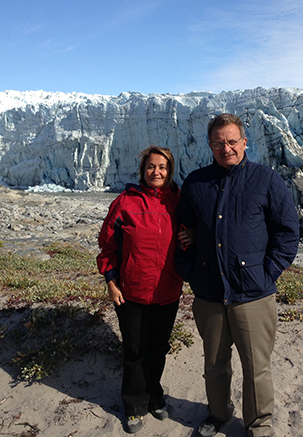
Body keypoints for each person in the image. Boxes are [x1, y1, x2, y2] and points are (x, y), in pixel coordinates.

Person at [175, 113, 300, 437]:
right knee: (215, 365)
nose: (226, 148)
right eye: (219, 143)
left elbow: (287, 232)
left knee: (256, 367)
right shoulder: (196, 183)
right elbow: (181, 230)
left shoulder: (266, 180)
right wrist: (190, 271)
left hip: (253, 294)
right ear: (210, 145)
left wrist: (268, 273)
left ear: (244, 142)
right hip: (210, 293)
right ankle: (218, 415)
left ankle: (259, 425)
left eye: (232, 141)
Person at [97, 146, 189, 434]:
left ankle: (154, 395)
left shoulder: (180, 203)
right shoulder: (125, 203)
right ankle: (134, 404)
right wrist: (111, 283)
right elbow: (108, 246)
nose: (156, 172)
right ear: (143, 170)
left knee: (158, 348)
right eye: (151, 167)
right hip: (130, 292)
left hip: (167, 290)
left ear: (170, 170)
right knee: (135, 350)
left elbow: (196, 235)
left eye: (162, 167)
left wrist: (193, 236)